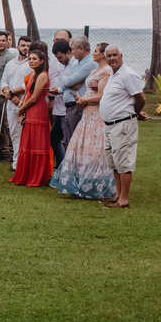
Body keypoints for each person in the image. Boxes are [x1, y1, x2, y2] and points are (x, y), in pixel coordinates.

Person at [49, 43, 114, 199]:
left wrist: (84, 99)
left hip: (97, 114)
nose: (93, 53)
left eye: (97, 51)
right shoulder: (94, 70)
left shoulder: (106, 72)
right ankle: (78, 182)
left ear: (103, 54)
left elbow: (101, 96)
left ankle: (95, 185)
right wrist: (81, 98)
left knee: (95, 149)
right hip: (86, 113)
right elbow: (77, 85)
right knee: (79, 146)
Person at [99, 46, 145, 209]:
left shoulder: (128, 74)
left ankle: (124, 199)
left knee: (124, 161)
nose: (112, 58)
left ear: (121, 56)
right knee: (114, 161)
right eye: (109, 55)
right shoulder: (113, 73)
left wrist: (135, 113)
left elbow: (140, 98)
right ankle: (117, 195)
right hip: (110, 125)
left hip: (123, 124)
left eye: (114, 55)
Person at [10, 47, 53, 187]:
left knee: (37, 142)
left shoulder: (43, 75)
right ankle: (26, 174)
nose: (31, 61)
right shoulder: (33, 74)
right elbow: (27, 94)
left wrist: (21, 109)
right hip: (29, 110)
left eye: (34, 59)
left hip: (38, 110)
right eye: (29, 59)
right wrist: (22, 110)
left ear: (42, 61)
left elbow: (34, 98)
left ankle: (37, 176)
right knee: (27, 141)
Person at [0, 36, 32, 169]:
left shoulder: (31, 64)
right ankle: (16, 161)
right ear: (17, 46)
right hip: (11, 102)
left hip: (25, 101)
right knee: (13, 132)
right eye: (23, 45)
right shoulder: (11, 63)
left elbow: (29, 84)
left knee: (24, 132)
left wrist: (15, 96)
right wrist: (8, 93)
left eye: (28, 46)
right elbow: (4, 81)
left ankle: (22, 162)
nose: (25, 48)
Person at [59, 36, 95, 150]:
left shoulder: (89, 63)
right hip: (71, 106)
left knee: (73, 141)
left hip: (76, 106)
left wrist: (66, 79)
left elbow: (69, 81)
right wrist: (68, 82)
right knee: (68, 139)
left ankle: (74, 167)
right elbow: (70, 83)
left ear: (81, 48)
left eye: (73, 49)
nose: (72, 52)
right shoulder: (77, 63)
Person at [0, 31, 16, 161]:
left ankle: (9, 152)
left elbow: (11, 76)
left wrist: (5, 91)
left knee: (6, 124)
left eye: (3, 40)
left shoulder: (11, 56)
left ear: (8, 41)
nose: (1, 43)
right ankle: (1, 150)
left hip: (4, 93)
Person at [49, 38, 71, 166]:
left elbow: (73, 85)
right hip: (59, 109)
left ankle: (67, 169)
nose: (59, 60)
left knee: (66, 140)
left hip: (68, 108)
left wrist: (59, 90)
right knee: (54, 138)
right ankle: (62, 166)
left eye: (61, 57)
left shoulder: (73, 66)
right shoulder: (60, 65)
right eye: (57, 58)